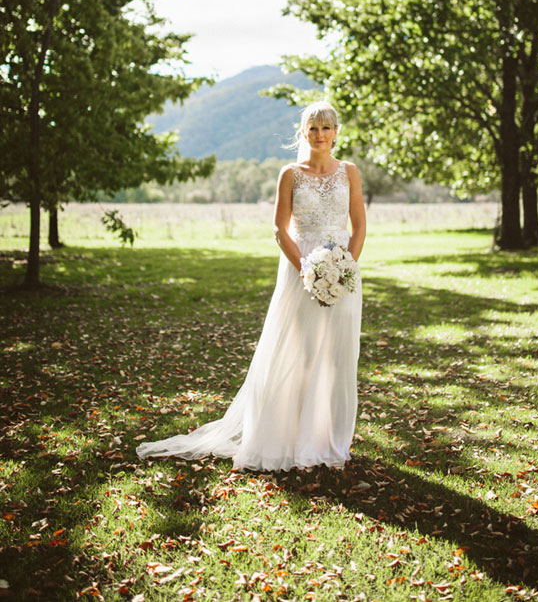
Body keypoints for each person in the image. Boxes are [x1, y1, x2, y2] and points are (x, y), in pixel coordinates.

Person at [136, 100, 366, 472]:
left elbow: (359, 226)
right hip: (300, 268)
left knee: (334, 356)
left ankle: (324, 439)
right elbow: (279, 229)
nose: (319, 135)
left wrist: (345, 269)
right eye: (312, 128)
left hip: (342, 272)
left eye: (326, 128)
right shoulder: (290, 173)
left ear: (336, 133)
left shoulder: (350, 173)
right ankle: (285, 439)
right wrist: (308, 269)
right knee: (296, 351)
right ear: (303, 132)